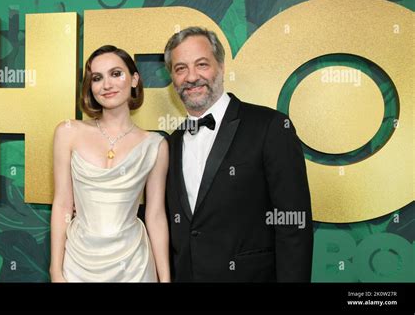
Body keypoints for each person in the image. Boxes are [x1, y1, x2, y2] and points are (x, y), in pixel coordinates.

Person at [164, 27, 313, 282]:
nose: (191, 77)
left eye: (202, 64)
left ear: (220, 66)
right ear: (173, 78)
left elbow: (294, 227)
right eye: (180, 69)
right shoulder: (170, 143)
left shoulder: (270, 127)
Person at [50, 45, 170, 282]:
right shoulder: (68, 132)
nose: (106, 85)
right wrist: (55, 270)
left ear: (134, 79)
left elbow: (155, 215)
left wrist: (164, 279)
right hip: (77, 262)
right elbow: (63, 204)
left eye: (116, 74)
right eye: (97, 78)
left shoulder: (155, 145)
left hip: (134, 265)